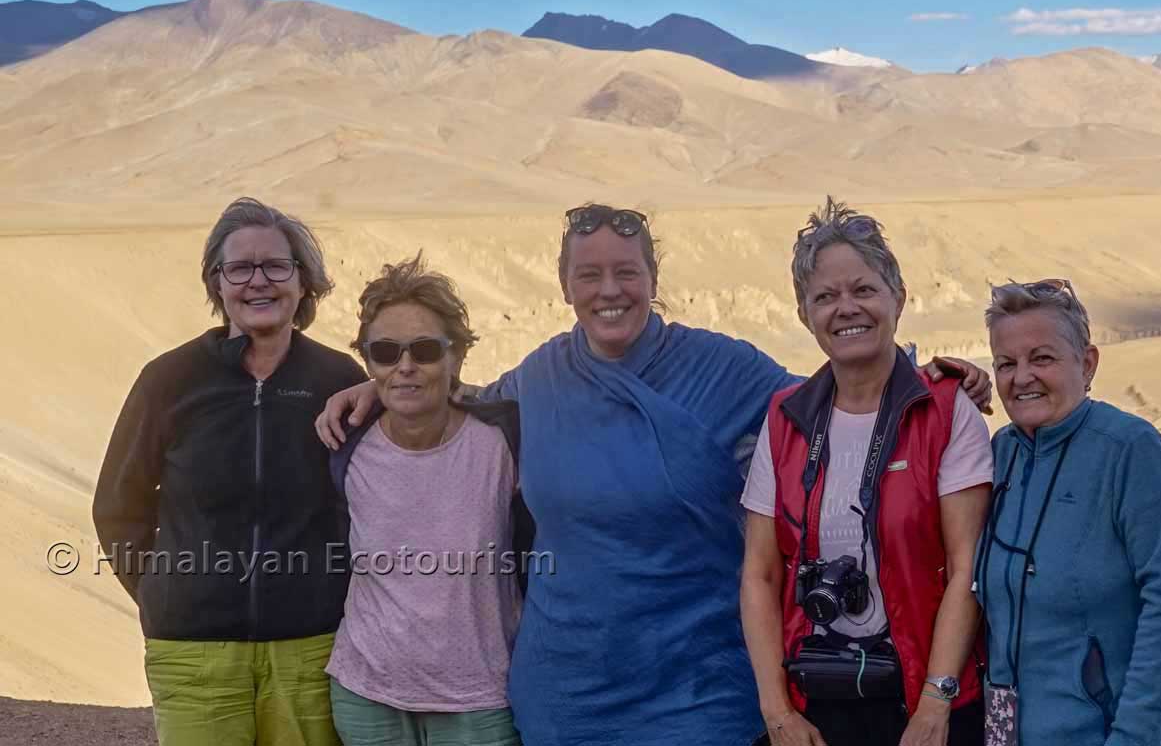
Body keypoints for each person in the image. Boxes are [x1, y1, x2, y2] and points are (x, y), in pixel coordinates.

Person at [316, 203, 992, 746]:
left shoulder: (723, 368)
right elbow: (457, 399)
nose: (609, 290)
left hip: (697, 690)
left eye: (627, 272)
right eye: (590, 275)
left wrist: (924, 374)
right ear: (565, 287)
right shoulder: (539, 378)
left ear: (653, 280)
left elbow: (842, 391)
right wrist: (375, 388)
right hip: (566, 691)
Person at [92, 198, 367, 746]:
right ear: (217, 283)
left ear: (302, 280)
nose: (257, 282)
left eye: (275, 266)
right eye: (238, 268)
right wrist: (162, 593)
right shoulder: (169, 379)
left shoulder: (337, 378)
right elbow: (118, 507)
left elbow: (368, 501)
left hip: (312, 649)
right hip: (193, 654)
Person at [740, 200, 991, 746]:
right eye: (825, 297)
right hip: (817, 705)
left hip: (928, 709)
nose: (846, 308)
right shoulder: (787, 419)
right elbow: (760, 574)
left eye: (863, 290)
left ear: (897, 298)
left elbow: (966, 565)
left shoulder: (945, 411)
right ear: (805, 315)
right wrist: (777, 713)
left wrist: (934, 703)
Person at [976, 279, 1161, 746]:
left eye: (1042, 358)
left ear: (1088, 362)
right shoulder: (1000, 455)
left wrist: (1133, 738)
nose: (1021, 377)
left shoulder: (1131, 450)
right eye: (1005, 364)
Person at [325, 254, 530, 746]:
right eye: (386, 352)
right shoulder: (345, 445)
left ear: (456, 355)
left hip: (479, 701)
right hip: (366, 694)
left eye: (424, 349)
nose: (406, 366)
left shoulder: (505, 440)